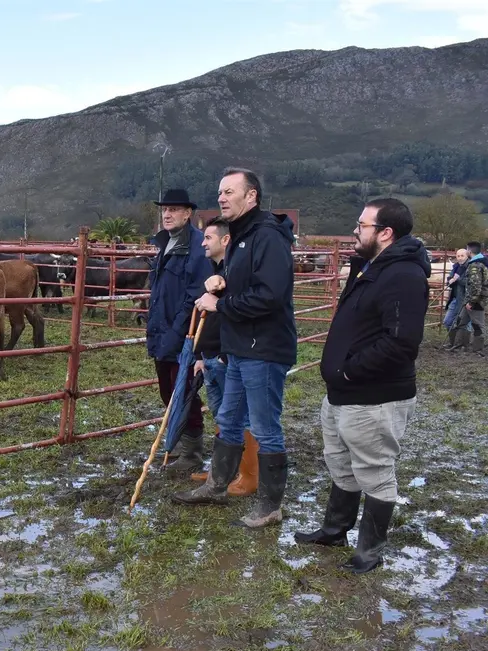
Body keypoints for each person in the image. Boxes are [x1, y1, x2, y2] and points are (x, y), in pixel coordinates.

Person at [295, 198, 429, 573]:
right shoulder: (371, 266)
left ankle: (369, 551)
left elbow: (402, 342)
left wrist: (351, 371)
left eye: (362, 225)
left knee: (375, 469)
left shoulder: (402, 274)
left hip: (374, 396)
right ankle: (335, 530)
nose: (356, 231)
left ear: (385, 232)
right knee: (340, 463)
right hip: (343, 393)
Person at [173, 168, 297, 530]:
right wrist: (222, 280)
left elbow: (271, 295)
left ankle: (270, 505)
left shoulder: (268, 237)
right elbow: (250, 284)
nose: (222, 198)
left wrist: (221, 305)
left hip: (264, 348)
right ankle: (216, 485)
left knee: (264, 426)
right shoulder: (242, 237)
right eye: (220, 192)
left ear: (252, 196)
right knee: (228, 419)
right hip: (240, 346)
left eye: (230, 192)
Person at [145, 189, 213, 477]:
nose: (167, 214)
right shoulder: (168, 244)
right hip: (163, 330)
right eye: (164, 210)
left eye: (174, 209)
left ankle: (191, 452)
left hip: (184, 334)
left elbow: (193, 297)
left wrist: (178, 333)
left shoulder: (197, 247)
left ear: (188, 213)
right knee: (167, 390)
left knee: (184, 391)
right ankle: (177, 442)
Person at [189, 217, 257, 495]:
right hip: (211, 355)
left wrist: (230, 352)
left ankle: (249, 476)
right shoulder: (214, 270)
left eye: (208, 238)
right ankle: (222, 469)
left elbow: (238, 315)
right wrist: (200, 355)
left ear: (225, 240)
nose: (203, 242)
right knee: (222, 415)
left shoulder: (237, 273)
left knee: (240, 417)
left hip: (227, 356)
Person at [448, 241, 486, 356]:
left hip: (476, 301)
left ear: (469, 251)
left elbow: (476, 286)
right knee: (461, 321)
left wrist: (472, 302)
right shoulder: (478, 263)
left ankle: (478, 350)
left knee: (478, 325)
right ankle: (458, 345)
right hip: (469, 300)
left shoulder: (476, 265)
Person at [440, 248, 470, 349]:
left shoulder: (470, 266)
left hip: (466, 299)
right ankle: (452, 342)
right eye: (458, 256)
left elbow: (471, 283)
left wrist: (458, 280)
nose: (460, 258)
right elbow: (450, 279)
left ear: (467, 256)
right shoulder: (456, 266)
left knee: (463, 323)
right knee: (448, 321)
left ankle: (463, 345)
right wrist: (449, 281)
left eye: (462, 256)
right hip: (454, 298)